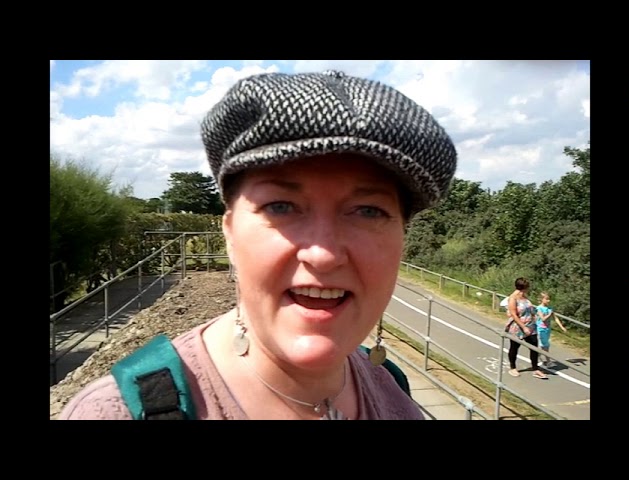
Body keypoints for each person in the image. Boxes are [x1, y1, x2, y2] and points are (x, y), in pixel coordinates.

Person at [58, 69, 458, 420]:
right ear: (229, 233)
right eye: (281, 206)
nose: (323, 254)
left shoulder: (391, 385)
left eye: (368, 211)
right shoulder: (115, 411)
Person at [504, 277, 547, 379]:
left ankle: (535, 369)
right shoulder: (513, 298)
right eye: (527, 287)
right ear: (523, 287)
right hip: (518, 326)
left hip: (530, 325)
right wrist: (523, 327)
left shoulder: (524, 296)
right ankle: (513, 367)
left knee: (534, 347)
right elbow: (514, 315)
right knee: (514, 347)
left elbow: (529, 308)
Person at [535, 292, 566, 366]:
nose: (548, 301)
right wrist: (549, 314)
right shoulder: (539, 308)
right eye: (546, 299)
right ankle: (548, 361)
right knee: (544, 345)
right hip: (541, 329)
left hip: (547, 329)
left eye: (549, 299)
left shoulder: (550, 308)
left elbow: (555, 318)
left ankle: (536, 357)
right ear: (542, 299)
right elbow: (543, 319)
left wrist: (561, 327)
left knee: (544, 345)